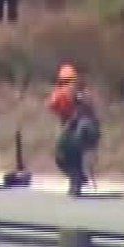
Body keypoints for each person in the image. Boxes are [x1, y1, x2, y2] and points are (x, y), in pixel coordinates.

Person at [47, 63, 101, 196]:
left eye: (68, 81)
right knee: (64, 157)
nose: (66, 85)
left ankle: (77, 181)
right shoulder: (61, 94)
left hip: (83, 129)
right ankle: (78, 178)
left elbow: (84, 111)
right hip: (74, 129)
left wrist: (71, 123)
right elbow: (53, 107)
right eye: (63, 82)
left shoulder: (81, 93)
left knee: (71, 152)